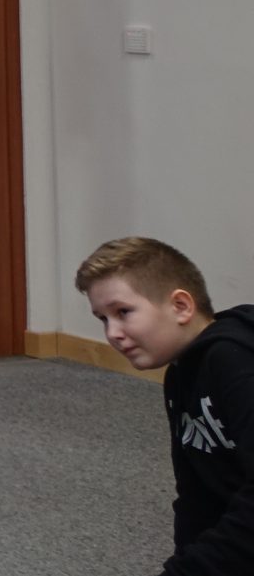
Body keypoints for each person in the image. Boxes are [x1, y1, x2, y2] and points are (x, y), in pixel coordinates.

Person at [75, 237, 254, 574]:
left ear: (181, 306)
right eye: (103, 319)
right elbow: (197, 494)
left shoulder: (235, 364)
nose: (112, 333)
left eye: (123, 312)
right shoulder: (179, 374)